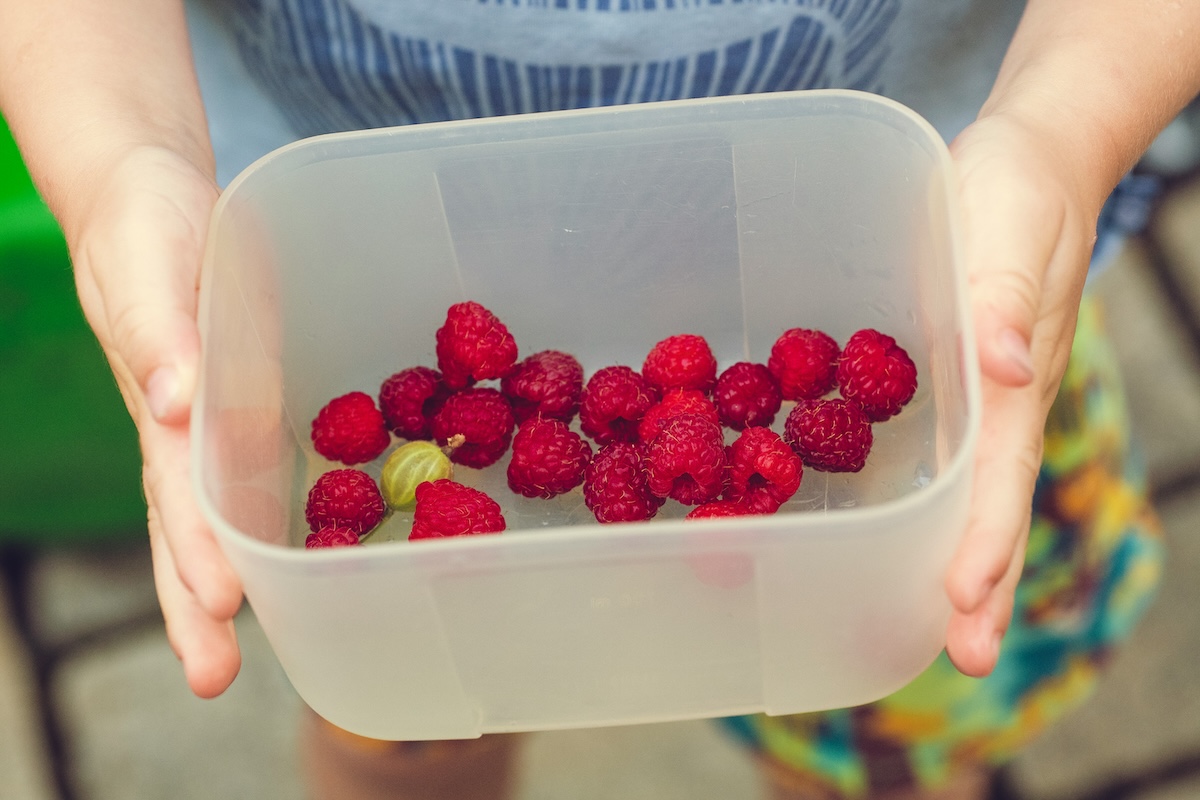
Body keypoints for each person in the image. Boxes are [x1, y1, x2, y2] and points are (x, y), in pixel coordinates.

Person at [0, 1, 1196, 797]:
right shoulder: (476, 415)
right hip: (344, 271)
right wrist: (123, 159)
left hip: (938, 263)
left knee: (879, 708)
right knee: (406, 726)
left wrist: (1058, 127)